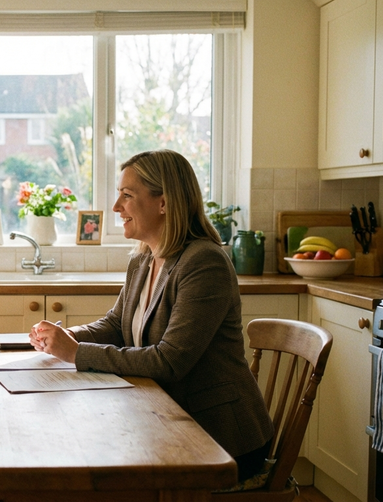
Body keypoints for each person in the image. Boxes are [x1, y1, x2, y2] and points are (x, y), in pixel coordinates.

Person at [29, 149, 273, 483]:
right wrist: (67, 337)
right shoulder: (143, 259)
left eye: (127, 196)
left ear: (164, 202)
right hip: (166, 418)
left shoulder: (204, 263)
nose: (116, 207)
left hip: (219, 440)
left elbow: (169, 362)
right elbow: (116, 324)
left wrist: (75, 353)